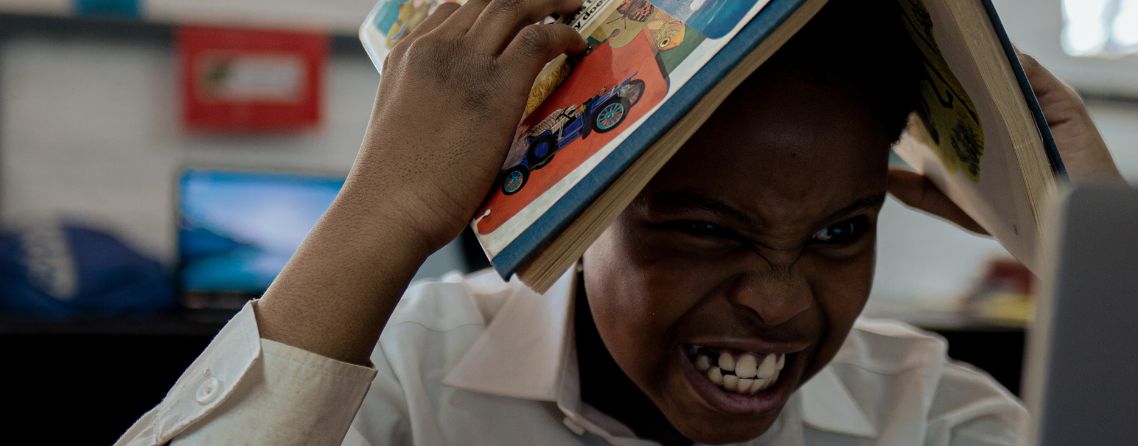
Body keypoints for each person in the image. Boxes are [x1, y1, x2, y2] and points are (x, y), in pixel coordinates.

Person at [116, 0, 1124, 445]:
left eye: (837, 233)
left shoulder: (928, 414)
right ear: (583, 208)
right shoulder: (406, 385)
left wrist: (1098, 253)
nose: (778, 303)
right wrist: (384, 211)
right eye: (706, 229)